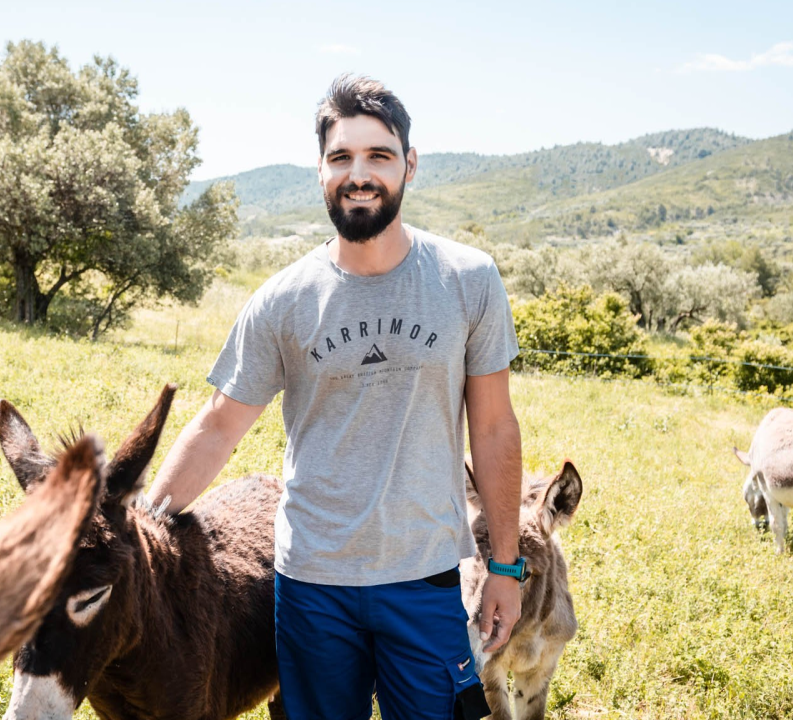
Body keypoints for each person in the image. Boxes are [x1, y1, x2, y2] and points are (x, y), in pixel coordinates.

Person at [147, 74, 523, 720]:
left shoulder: (468, 280)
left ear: (409, 164)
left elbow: (493, 430)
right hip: (312, 585)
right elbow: (218, 427)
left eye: (378, 155)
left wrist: (507, 567)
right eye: (341, 157)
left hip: (425, 579)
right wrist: (142, 526)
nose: (359, 173)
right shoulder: (282, 301)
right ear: (319, 172)